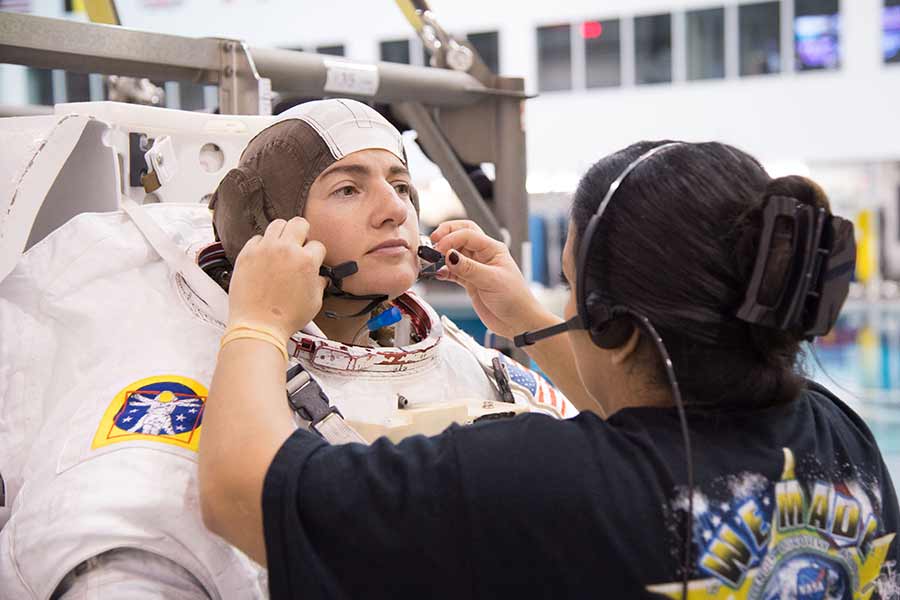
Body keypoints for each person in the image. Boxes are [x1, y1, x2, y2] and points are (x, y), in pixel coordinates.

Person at [200, 140, 900, 599]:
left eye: (569, 289)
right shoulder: (836, 431)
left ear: (615, 330)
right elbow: (646, 403)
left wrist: (258, 320)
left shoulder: (535, 483)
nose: (391, 208)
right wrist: (528, 320)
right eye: (349, 189)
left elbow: (244, 492)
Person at [0, 98, 573, 599]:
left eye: (400, 186)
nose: (395, 208)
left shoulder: (459, 357)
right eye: (349, 188)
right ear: (266, 223)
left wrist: (530, 321)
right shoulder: (177, 380)